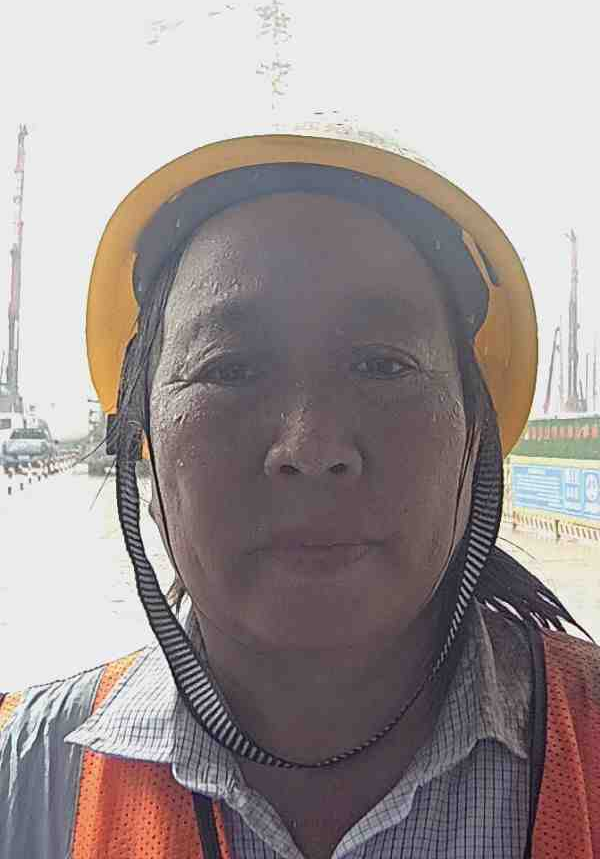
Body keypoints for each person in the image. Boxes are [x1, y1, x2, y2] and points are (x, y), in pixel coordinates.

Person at [1, 126, 599, 858]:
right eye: (229, 369)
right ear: (143, 440)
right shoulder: (24, 780)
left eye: (383, 366)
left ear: (474, 438)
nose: (311, 449)